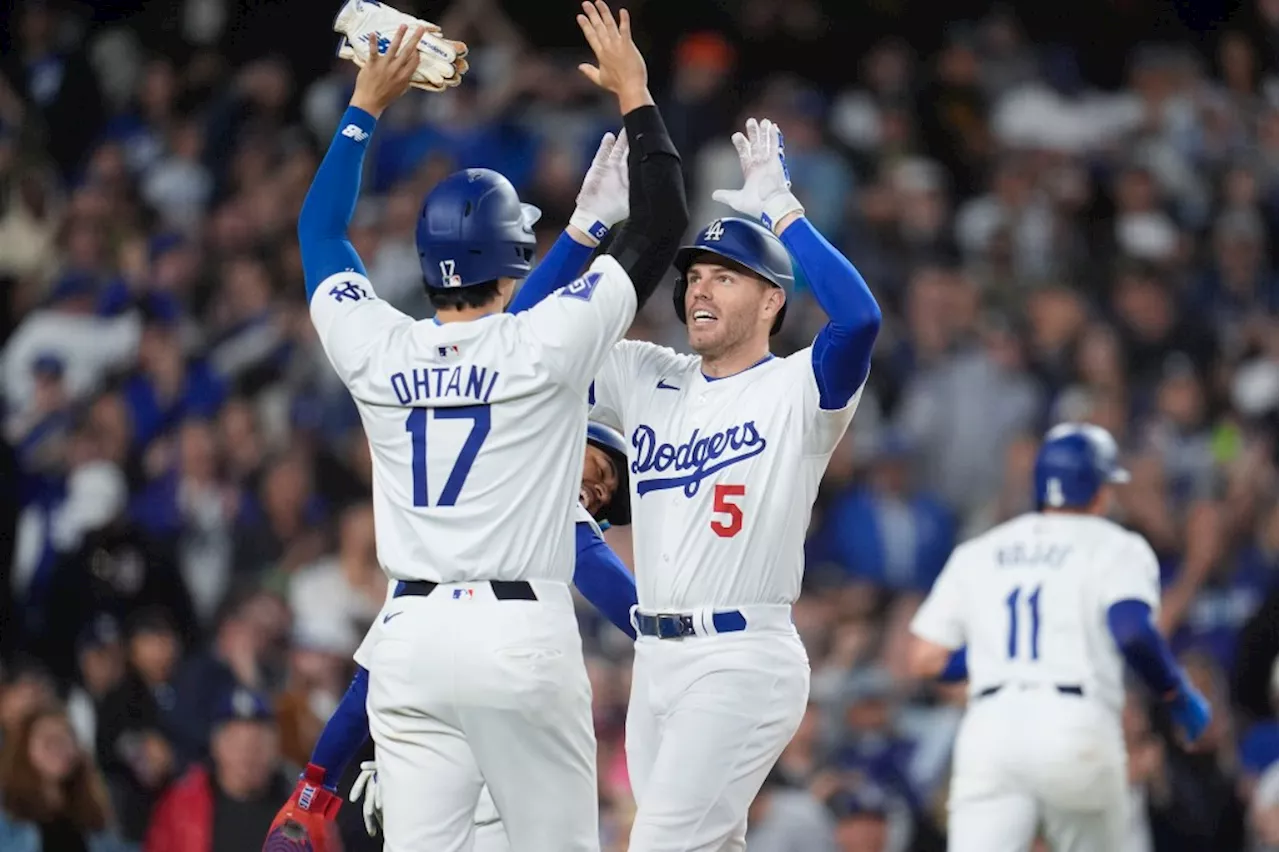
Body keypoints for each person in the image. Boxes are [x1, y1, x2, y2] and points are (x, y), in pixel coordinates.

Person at [289, 0, 686, 848]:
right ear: (515, 259)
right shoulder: (544, 342)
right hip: (515, 636)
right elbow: (662, 224)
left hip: (409, 643)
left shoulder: (378, 345)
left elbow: (319, 231)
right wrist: (635, 94)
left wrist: (366, 104)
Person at [514, 112, 881, 849]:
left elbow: (860, 319)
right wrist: (587, 230)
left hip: (742, 657)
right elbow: (519, 346)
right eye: (693, 277)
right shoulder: (647, 372)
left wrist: (783, 208)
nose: (699, 290)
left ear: (773, 300)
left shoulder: (796, 390)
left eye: (725, 277)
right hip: (656, 660)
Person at [266, 422, 638, 852]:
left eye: (608, 495)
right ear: (568, 439)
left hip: (421, 684)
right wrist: (668, 637)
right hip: (507, 714)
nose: (602, 491)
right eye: (603, 470)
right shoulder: (536, 478)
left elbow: (375, 674)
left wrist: (313, 789)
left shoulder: (435, 535)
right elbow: (591, 562)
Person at [906, 422, 1213, 852]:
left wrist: (999, 659)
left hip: (990, 730)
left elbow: (925, 659)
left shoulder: (980, 550)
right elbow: (1131, 631)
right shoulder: (1116, 545)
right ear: (1100, 491)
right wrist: (1176, 692)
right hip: (1075, 725)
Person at [146, 688, 292, 852]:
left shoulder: (300, 809)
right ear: (216, 746)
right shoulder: (179, 806)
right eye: (237, 743)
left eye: (259, 744)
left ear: (276, 748)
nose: (248, 755)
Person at [0, 705, 132, 852]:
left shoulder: (93, 811)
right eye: (49, 740)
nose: (60, 747)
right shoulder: (7, 811)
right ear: (23, 749)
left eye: (67, 738)